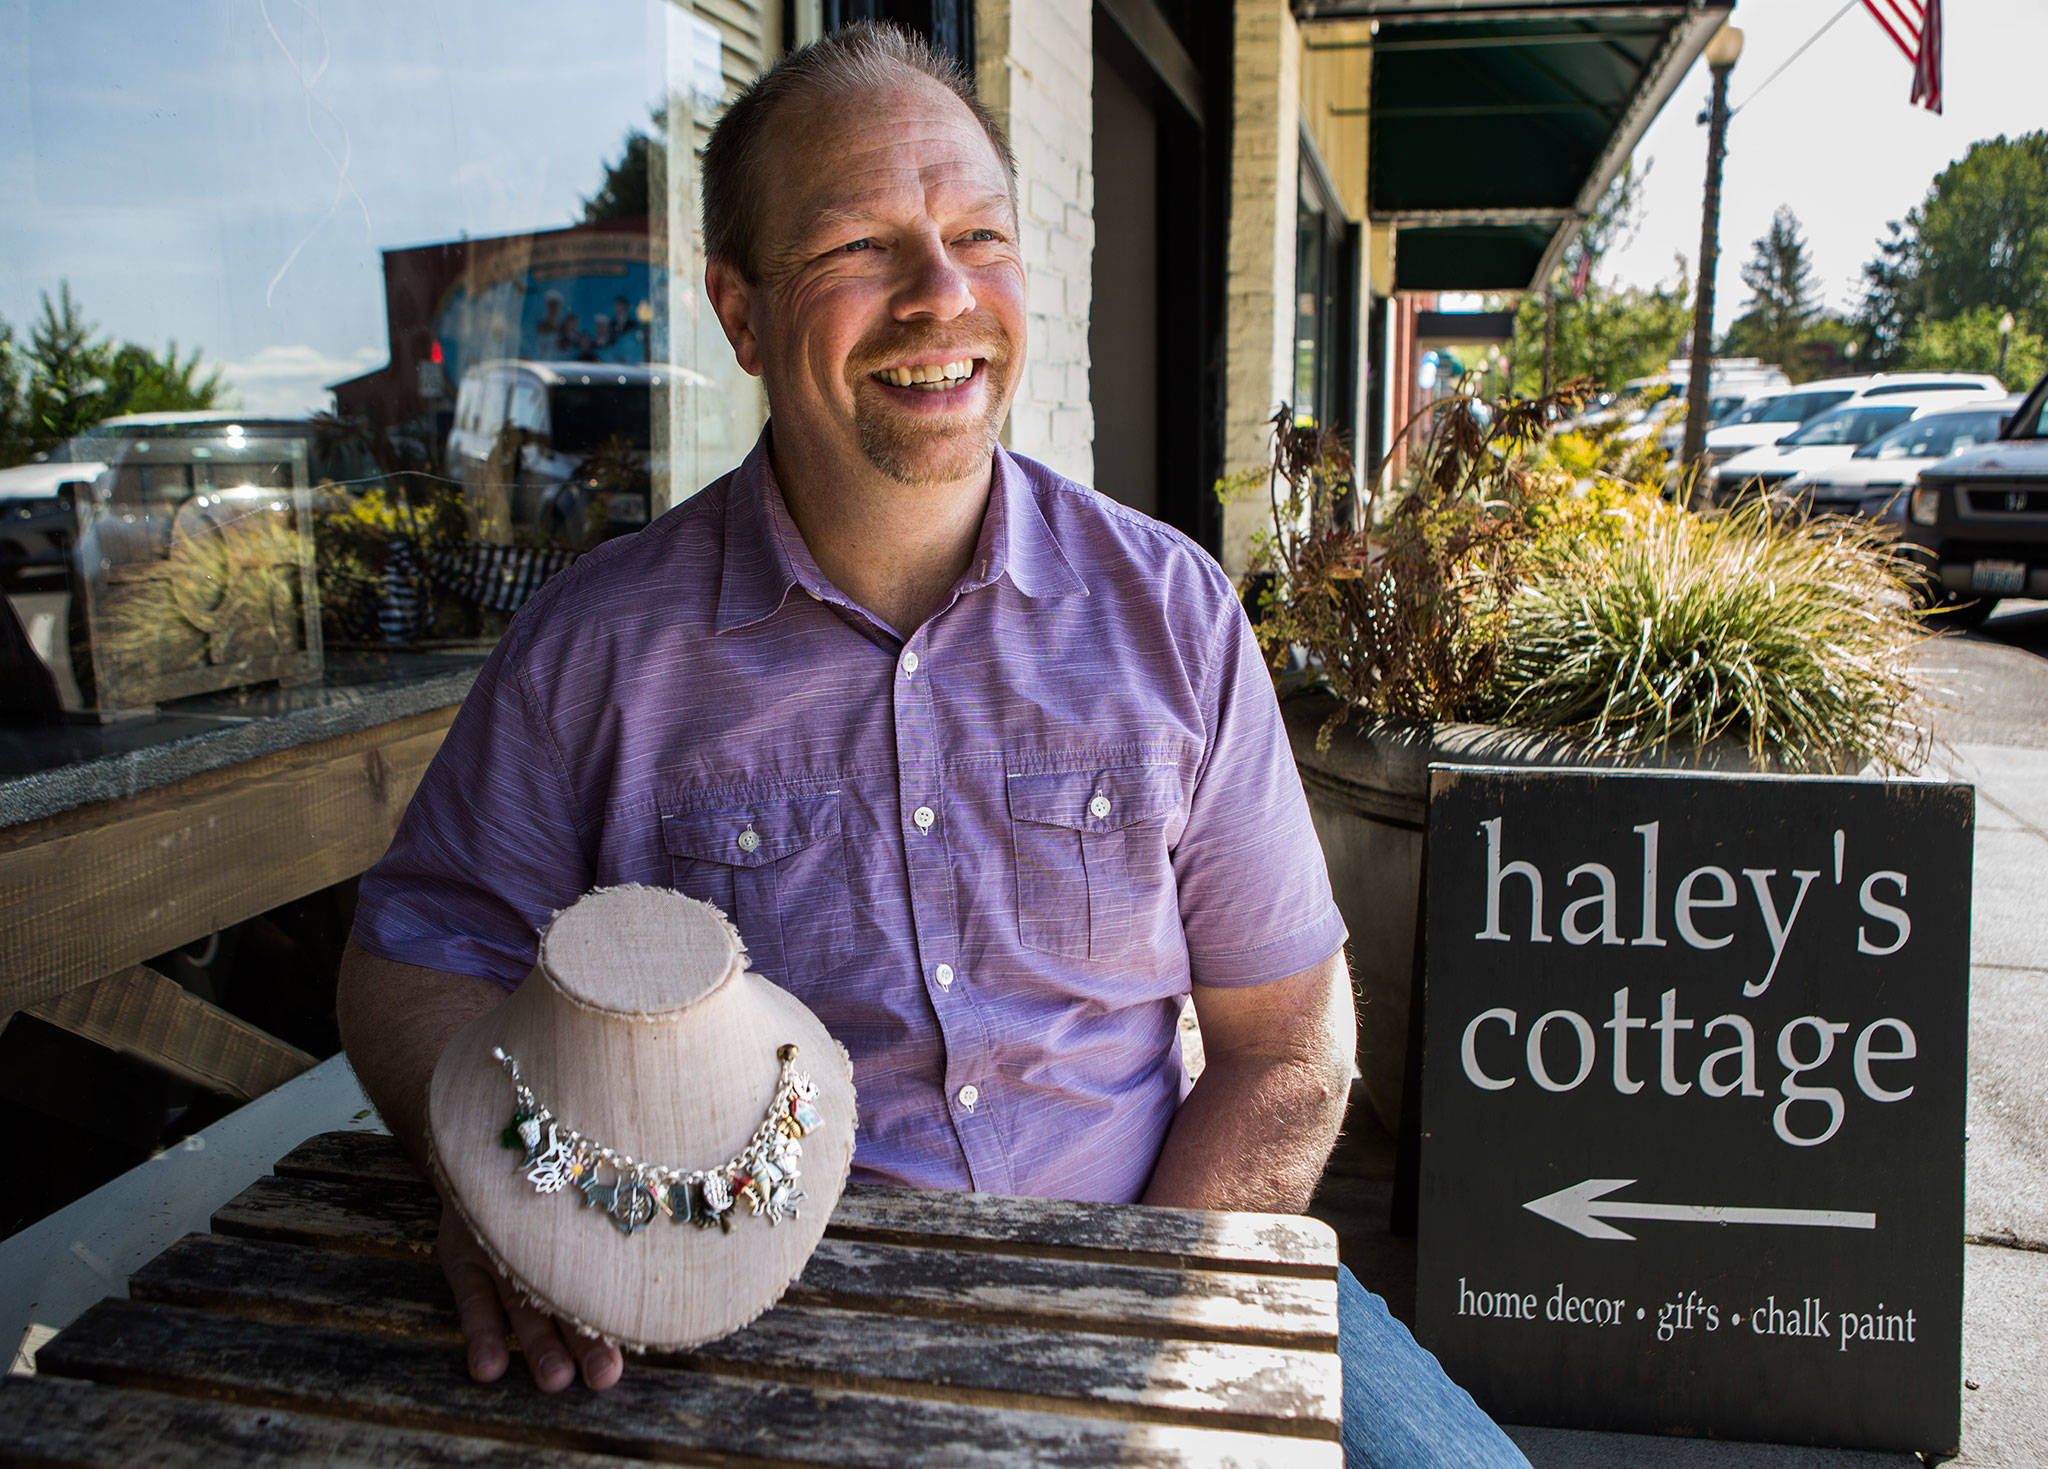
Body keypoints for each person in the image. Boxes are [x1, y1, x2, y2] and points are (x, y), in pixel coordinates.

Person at [337, 22, 1525, 1467]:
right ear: (743, 313)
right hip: (749, 1318)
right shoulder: (600, 650)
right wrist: (508, 1194)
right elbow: (418, 956)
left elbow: (1287, 1045)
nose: (943, 296)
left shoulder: (1172, 615)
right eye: (859, 247)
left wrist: (1122, 1330)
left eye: (979, 234)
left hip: (1154, 1262)